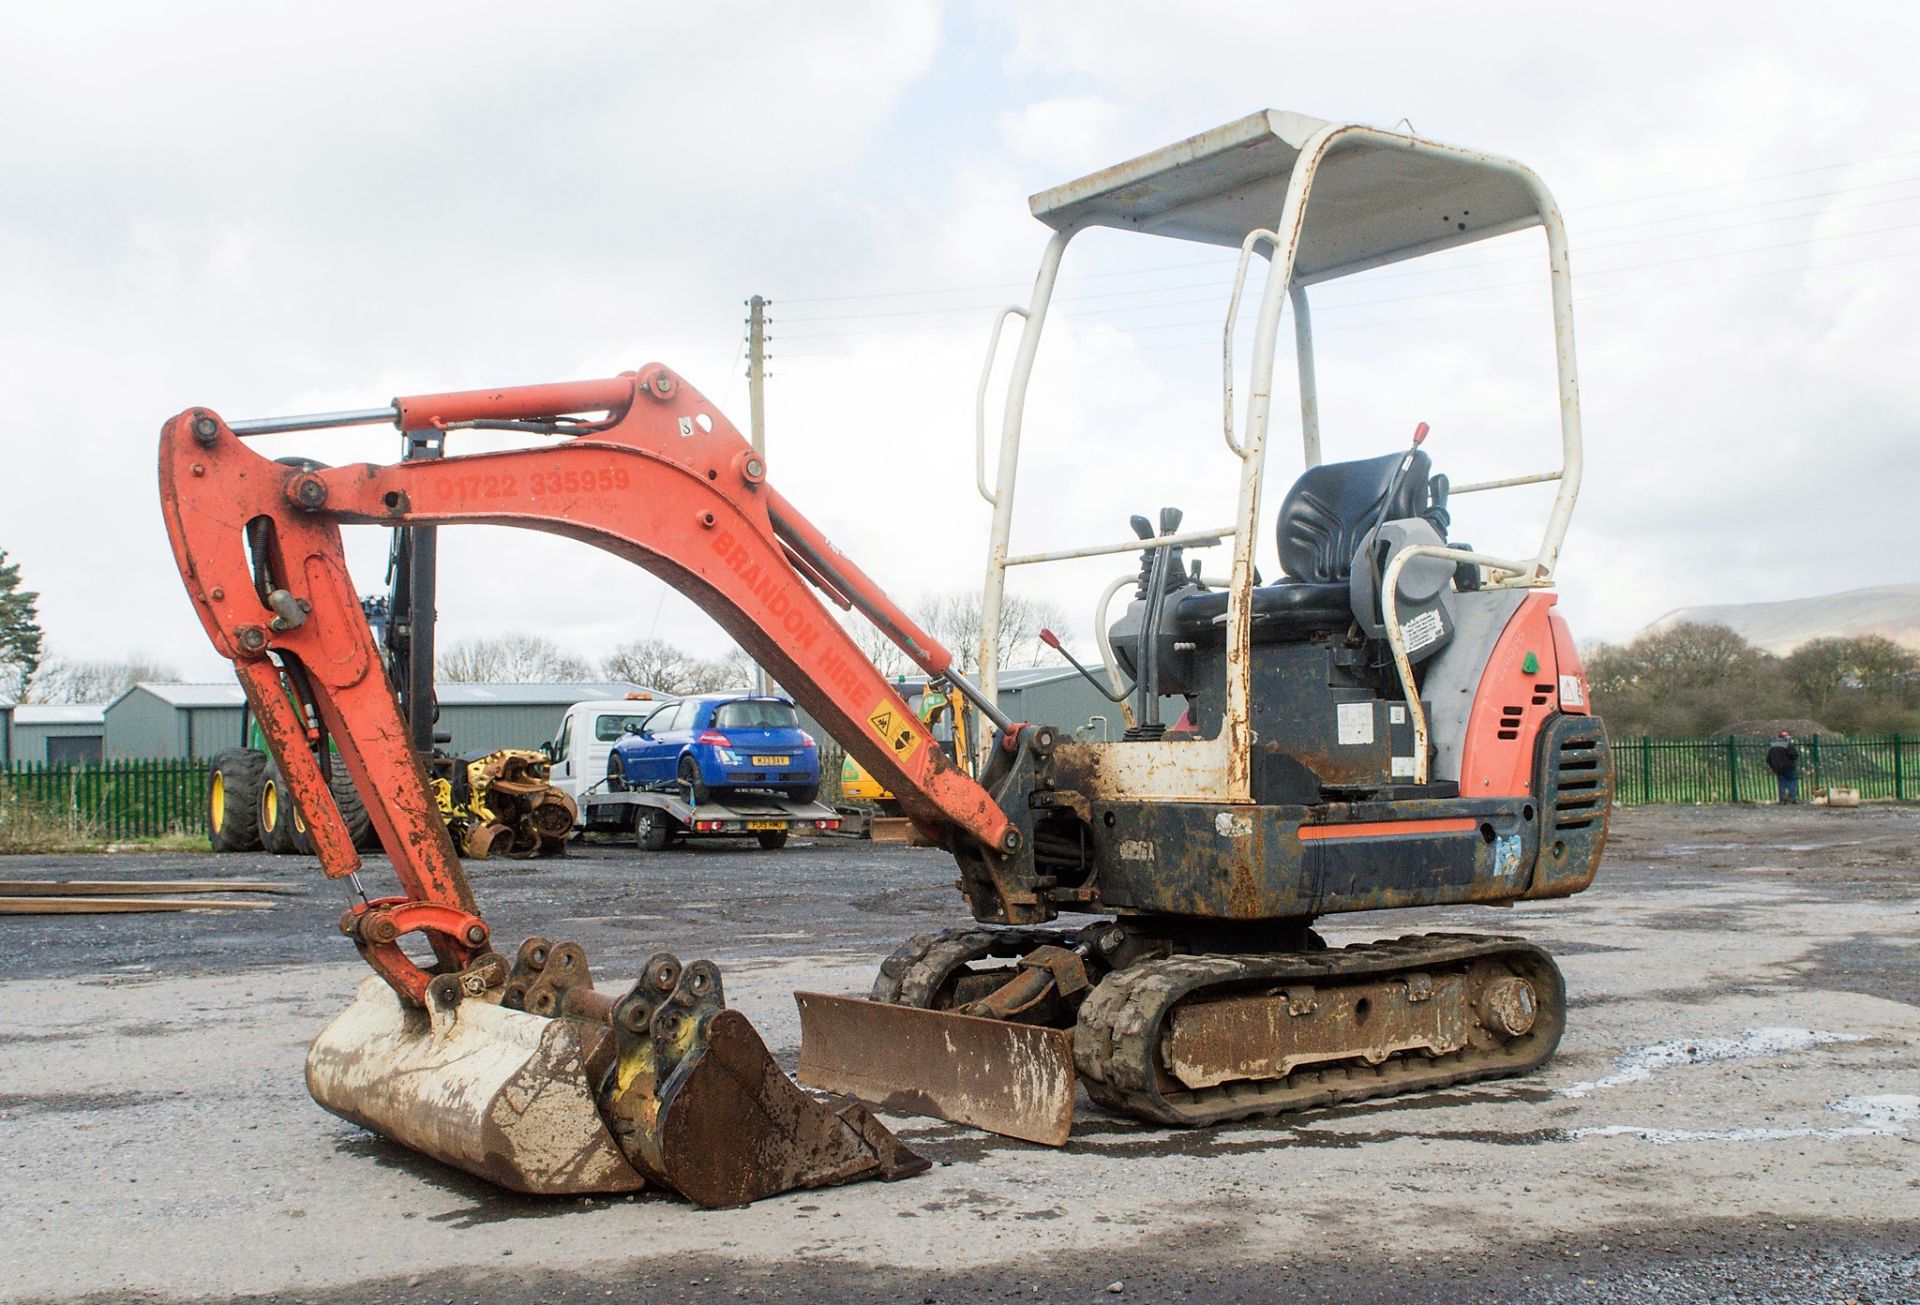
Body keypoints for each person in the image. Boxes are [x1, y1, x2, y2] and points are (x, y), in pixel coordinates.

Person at [1766, 730, 1800, 804]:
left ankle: (1782, 799)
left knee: (1781, 783)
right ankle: (1792, 798)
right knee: (1792, 781)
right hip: (1789, 767)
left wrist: (1774, 766)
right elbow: (1794, 755)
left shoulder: (1773, 746)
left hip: (1778, 768)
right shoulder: (1787, 745)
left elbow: (1768, 759)